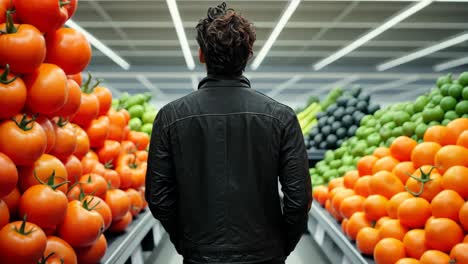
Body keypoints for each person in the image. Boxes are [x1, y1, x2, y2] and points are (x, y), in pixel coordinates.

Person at [145, 2, 312, 263]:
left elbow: (158, 196)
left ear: (201, 54)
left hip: (200, 253)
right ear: (248, 54)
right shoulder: (281, 117)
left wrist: (187, 242)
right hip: (264, 253)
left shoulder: (170, 117)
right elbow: (299, 199)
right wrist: (280, 246)